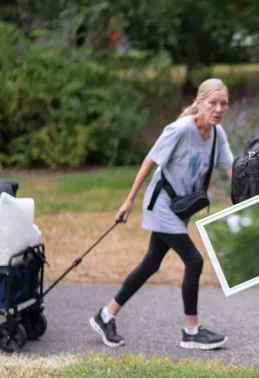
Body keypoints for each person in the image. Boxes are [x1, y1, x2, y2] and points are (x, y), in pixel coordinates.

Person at [89, 78, 234, 350]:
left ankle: (105, 315)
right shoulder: (179, 130)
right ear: (199, 102)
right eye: (212, 102)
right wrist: (129, 200)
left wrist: (248, 196)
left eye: (223, 103)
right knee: (194, 261)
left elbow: (232, 170)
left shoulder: (217, 135)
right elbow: (150, 161)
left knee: (151, 264)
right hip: (162, 205)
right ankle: (191, 330)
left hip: (180, 209)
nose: (218, 108)